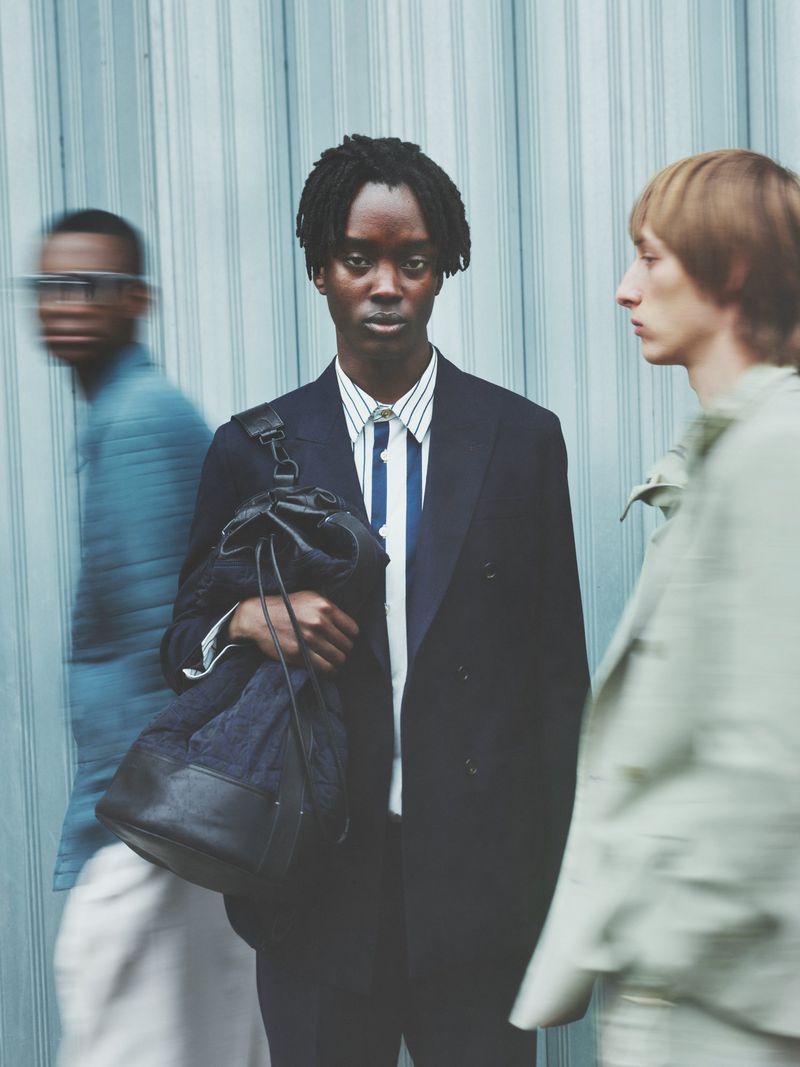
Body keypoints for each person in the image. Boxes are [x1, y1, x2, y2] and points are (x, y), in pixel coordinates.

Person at [162, 134, 589, 1067]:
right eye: (360, 259)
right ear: (321, 270)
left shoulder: (521, 441)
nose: (386, 284)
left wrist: (564, 886)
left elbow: (560, 682)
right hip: (314, 893)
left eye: (414, 260)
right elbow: (179, 641)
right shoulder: (254, 447)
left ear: (443, 273)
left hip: (480, 897)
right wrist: (245, 620)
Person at [510, 149, 800, 1066]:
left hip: (720, 1001)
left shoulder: (774, 453)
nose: (626, 288)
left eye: (651, 257)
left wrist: (670, 937)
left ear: (735, 269)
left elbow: (772, 750)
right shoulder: (720, 455)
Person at [36, 209, 269, 1066]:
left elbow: (160, 643)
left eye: (88, 286)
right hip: (171, 821)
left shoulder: (138, 423)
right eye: (50, 286)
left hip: (153, 823)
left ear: (137, 299)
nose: (64, 303)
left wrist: (138, 832)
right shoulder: (129, 413)